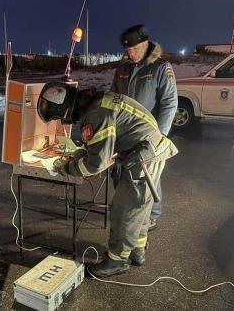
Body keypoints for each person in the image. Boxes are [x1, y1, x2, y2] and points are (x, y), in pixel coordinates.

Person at [37, 82, 178, 277]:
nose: (62, 121)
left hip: (143, 156)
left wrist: (66, 168)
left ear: (66, 109)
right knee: (140, 206)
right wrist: (80, 154)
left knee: (125, 210)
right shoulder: (97, 102)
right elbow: (101, 144)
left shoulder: (95, 114)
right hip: (147, 149)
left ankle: (117, 261)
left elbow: (94, 165)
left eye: (60, 117)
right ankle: (137, 250)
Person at [111, 24, 178, 231]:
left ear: (146, 44)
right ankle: (128, 208)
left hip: (150, 134)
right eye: (128, 50)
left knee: (149, 174)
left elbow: (169, 103)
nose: (131, 54)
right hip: (125, 133)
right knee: (124, 172)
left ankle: (152, 215)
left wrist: (160, 137)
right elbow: (113, 99)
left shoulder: (159, 67)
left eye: (135, 49)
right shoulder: (122, 69)